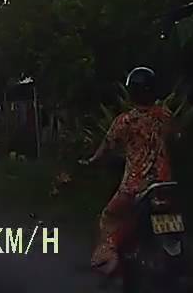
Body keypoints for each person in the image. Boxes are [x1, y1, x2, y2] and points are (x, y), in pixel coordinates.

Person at [80, 66, 173, 278]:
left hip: (136, 185)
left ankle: (109, 259)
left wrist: (92, 160)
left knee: (109, 217)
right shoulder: (165, 115)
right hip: (164, 182)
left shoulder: (125, 121)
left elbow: (107, 146)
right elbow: (176, 136)